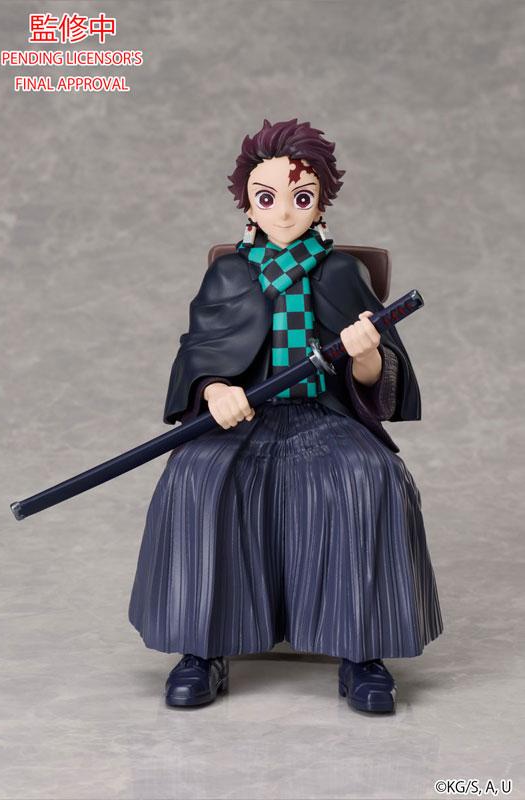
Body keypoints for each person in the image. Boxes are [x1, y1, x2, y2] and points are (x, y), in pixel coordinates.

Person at [128, 119, 443, 714]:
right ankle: (202, 645)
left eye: (301, 198)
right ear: (248, 204)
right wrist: (215, 389)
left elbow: (383, 381)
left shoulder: (342, 273)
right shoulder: (228, 273)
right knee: (195, 477)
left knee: (368, 477)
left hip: (324, 414)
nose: (283, 212)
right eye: (267, 197)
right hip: (242, 421)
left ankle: (363, 649)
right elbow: (197, 351)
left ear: (321, 203)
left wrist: (366, 354)